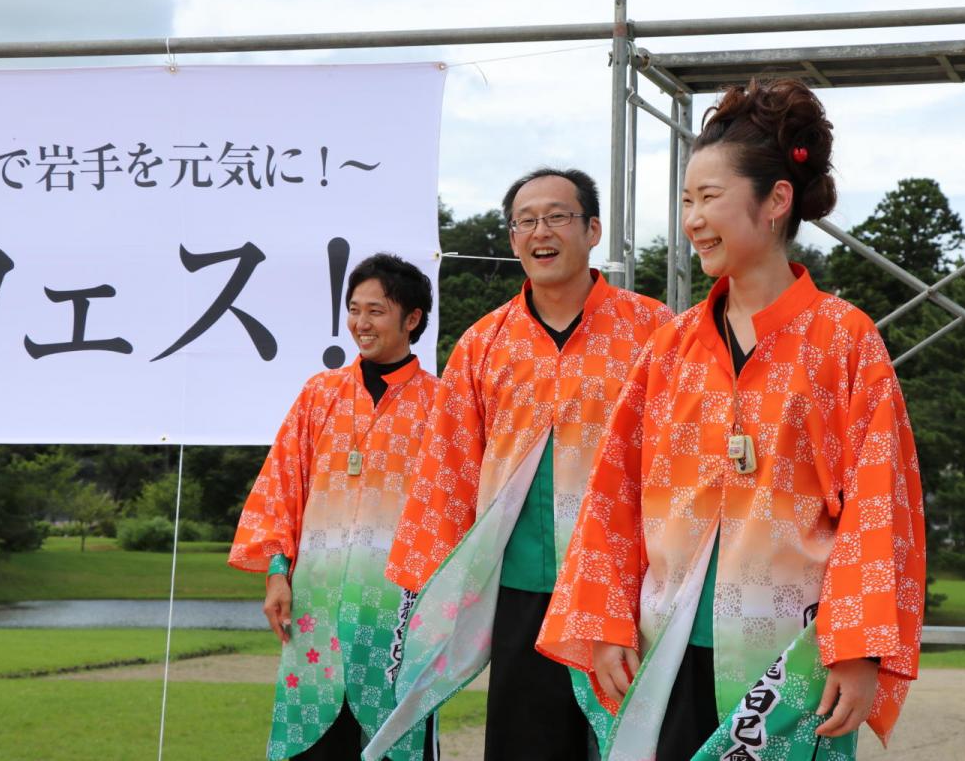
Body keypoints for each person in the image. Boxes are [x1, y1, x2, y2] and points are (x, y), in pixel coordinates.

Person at [537, 80, 926, 761]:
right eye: (686, 200)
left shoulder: (845, 340)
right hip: (668, 648)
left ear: (775, 201)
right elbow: (613, 494)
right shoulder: (669, 347)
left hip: (794, 661)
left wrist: (860, 648)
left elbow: (878, 508)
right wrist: (603, 620)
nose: (692, 218)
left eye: (710, 198)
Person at [364, 168, 673, 761]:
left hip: (626, 589)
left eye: (557, 216)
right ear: (511, 240)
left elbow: (681, 460)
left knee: (635, 744)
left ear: (593, 230)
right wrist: (422, 597)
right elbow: (448, 471)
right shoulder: (483, 344)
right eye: (525, 221)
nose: (541, 231)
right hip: (521, 590)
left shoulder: (654, 331)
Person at [228, 252, 439, 761]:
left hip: (398, 618)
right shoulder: (318, 394)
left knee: (395, 743)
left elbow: (452, 511)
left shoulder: (441, 404)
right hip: (315, 613)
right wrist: (277, 571)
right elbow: (282, 486)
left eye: (376, 311)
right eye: (354, 310)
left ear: (412, 319)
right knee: (312, 745)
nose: (360, 324)